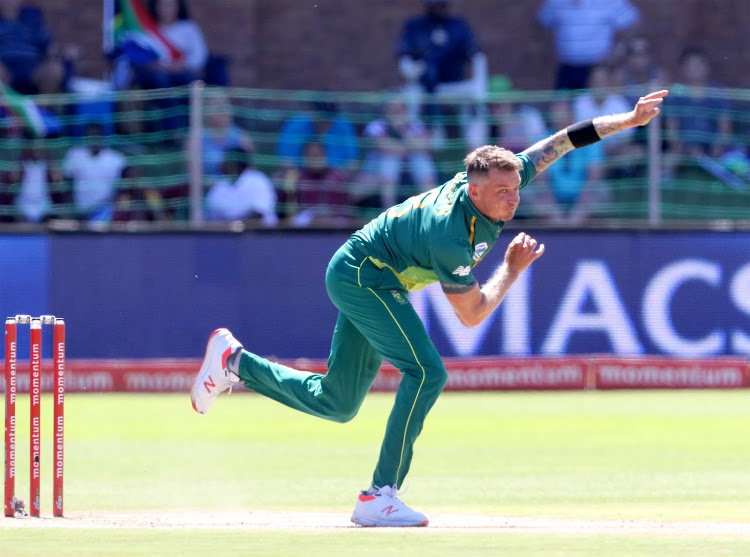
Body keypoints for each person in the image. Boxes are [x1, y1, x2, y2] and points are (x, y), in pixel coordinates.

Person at [191, 90, 668, 527]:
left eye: (516, 188)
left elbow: (565, 140)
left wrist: (629, 120)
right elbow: (471, 314)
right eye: (502, 193)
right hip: (364, 274)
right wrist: (512, 269)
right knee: (428, 372)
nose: (514, 197)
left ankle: (233, 361)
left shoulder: (502, 175)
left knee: (336, 403)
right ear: (474, 191)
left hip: (369, 273)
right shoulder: (450, 237)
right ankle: (379, 495)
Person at [537, 0, 640, 90]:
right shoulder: (555, 2)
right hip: (567, 68)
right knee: (561, 109)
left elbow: (633, 21)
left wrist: (619, 49)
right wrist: (548, 49)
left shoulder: (608, 2)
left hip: (598, 69)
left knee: (595, 108)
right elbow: (542, 23)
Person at [358, 96, 437, 209]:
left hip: (412, 171)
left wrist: (402, 130)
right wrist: (411, 144)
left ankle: (432, 210)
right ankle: (389, 211)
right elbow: (384, 146)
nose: (397, 112)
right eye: (393, 109)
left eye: (400, 108)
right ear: (386, 110)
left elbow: (425, 145)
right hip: (376, 173)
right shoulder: (376, 125)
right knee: (390, 160)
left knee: (421, 159)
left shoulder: (415, 124)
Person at [274, 141, 351, 227]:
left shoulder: (339, 178)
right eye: (311, 156)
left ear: (325, 155)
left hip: (335, 222)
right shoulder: (296, 179)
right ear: (304, 157)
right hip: (305, 224)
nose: (315, 160)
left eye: (318, 155)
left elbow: (348, 210)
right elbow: (285, 213)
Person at [62, 123, 127, 223]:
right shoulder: (74, 155)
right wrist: (71, 209)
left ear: (102, 137)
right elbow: (67, 184)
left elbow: (123, 188)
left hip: (105, 212)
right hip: (79, 211)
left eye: (97, 136)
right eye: (90, 136)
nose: (94, 140)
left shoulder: (116, 159)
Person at [205, 147, 277, 226]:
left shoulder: (258, 180)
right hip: (227, 235)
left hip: (262, 234)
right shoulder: (219, 186)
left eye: (226, 160)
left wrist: (234, 226)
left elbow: (258, 214)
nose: (221, 164)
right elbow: (213, 217)